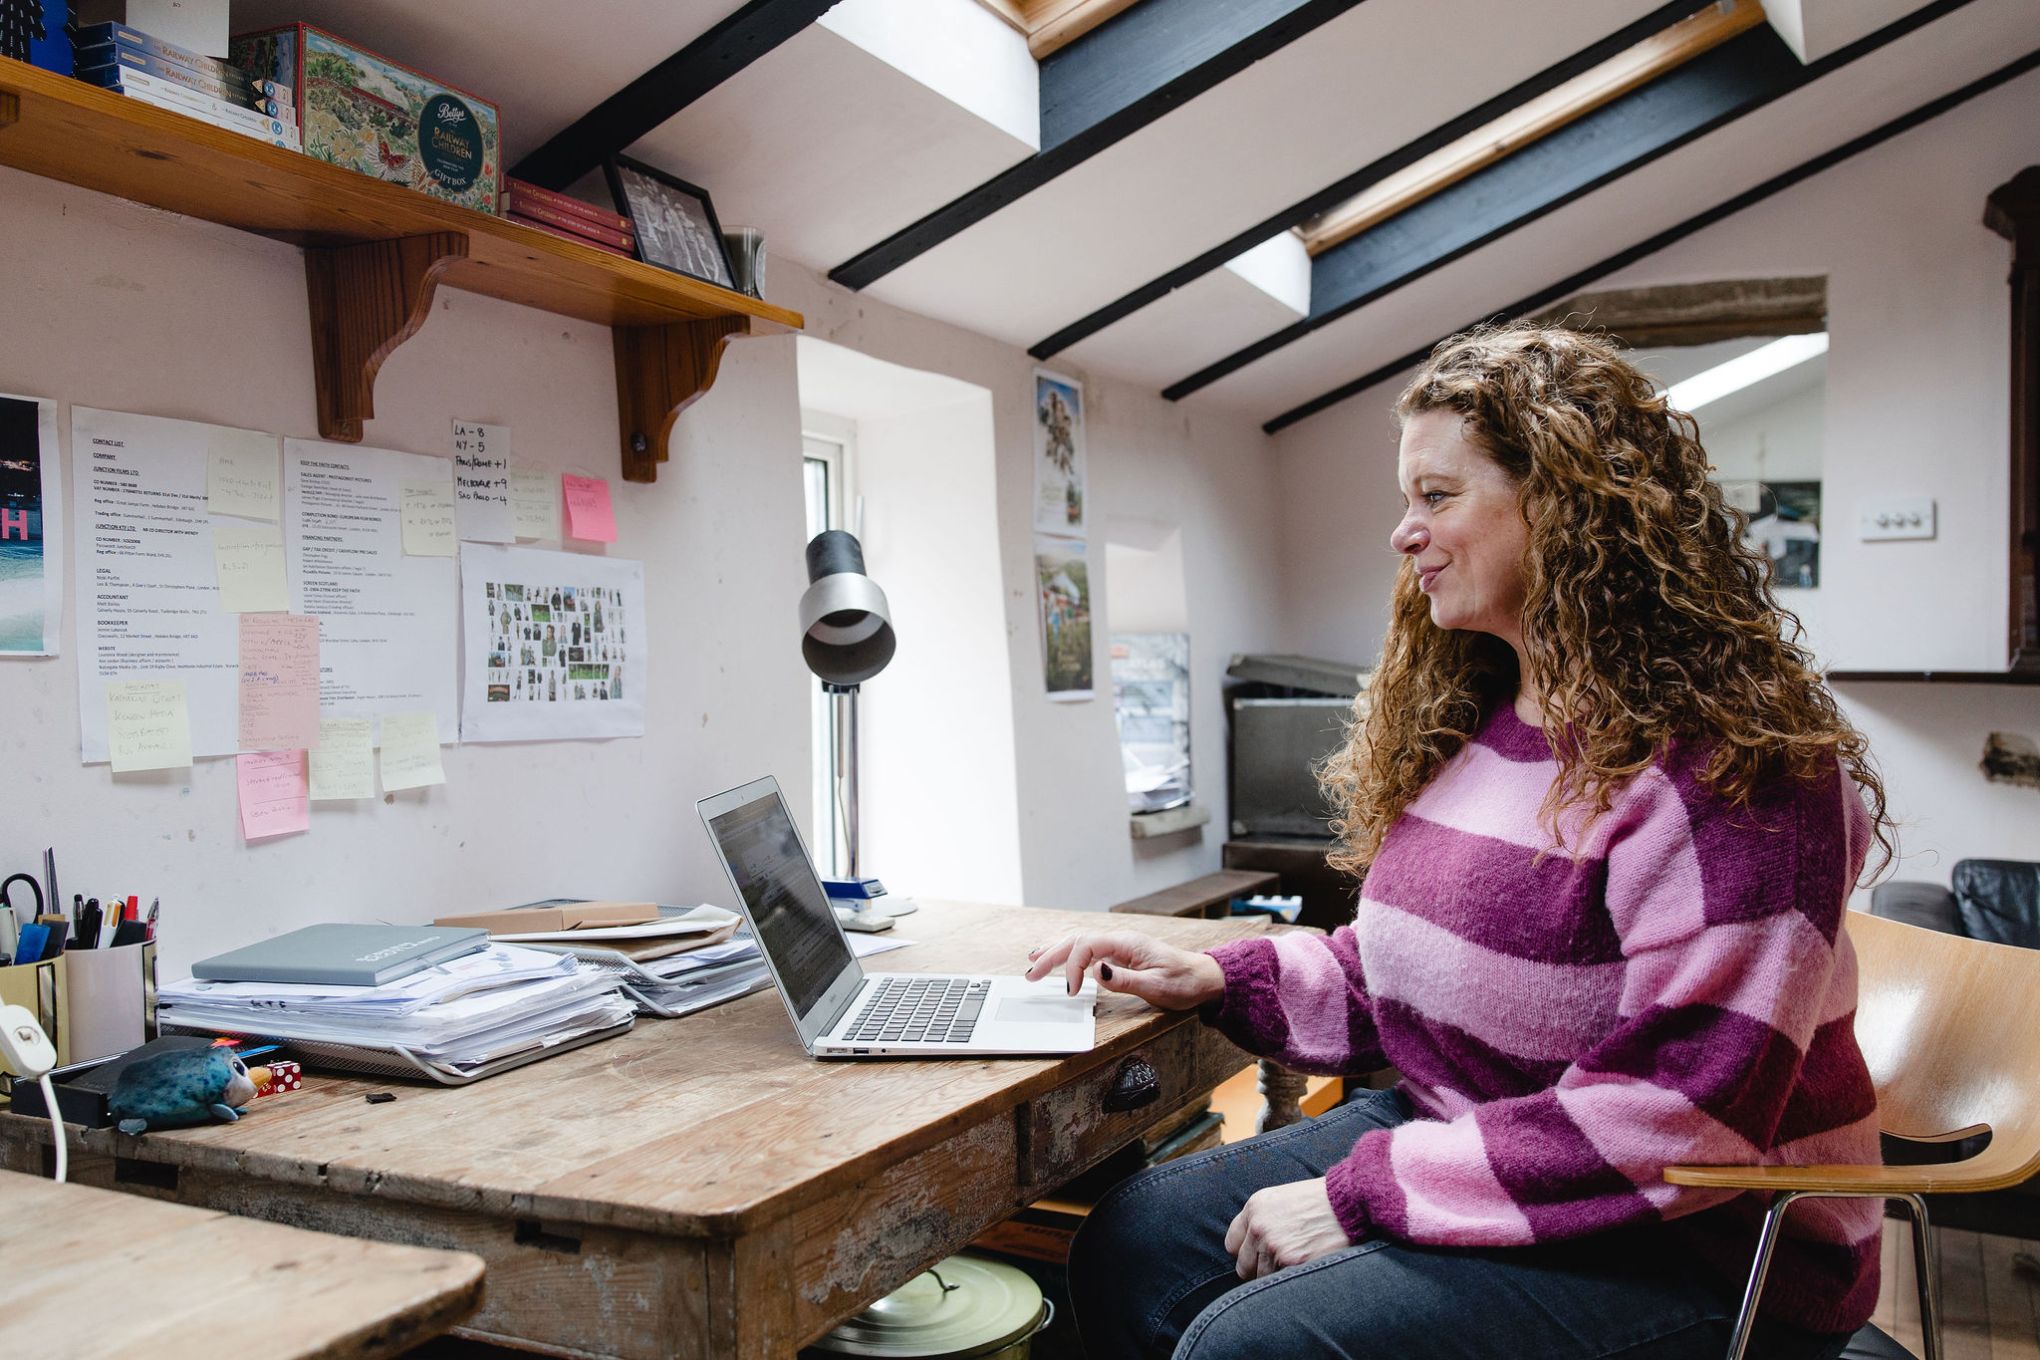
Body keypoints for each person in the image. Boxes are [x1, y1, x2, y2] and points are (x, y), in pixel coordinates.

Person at [1028, 323, 1891, 1360]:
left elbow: (1680, 1112)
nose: (1403, 531)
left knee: (1254, 1346)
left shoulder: (1738, 776)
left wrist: (1367, 1194)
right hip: (1487, 1128)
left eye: (1437, 496)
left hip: (1702, 1243)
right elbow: (1412, 974)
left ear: (1570, 507)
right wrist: (1219, 971)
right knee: (1131, 1244)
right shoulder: (1486, 717)